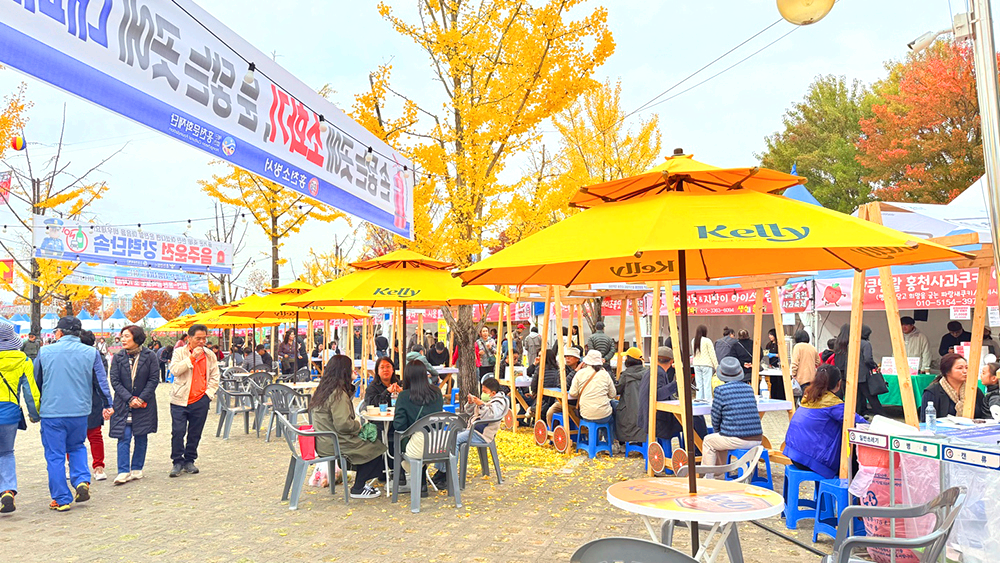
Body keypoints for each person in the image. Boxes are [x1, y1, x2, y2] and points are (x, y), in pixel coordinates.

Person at [34, 316, 112, 511]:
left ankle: (61, 498)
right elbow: (101, 382)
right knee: (77, 446)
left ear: (60, 332)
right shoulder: (91, 353)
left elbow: (37, 383)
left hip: (52, 411)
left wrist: (37, 408)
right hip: (80, 411)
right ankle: (82, 480)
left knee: (55, 455)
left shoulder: (45, 352)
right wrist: (108, 404)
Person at [310, 355, 386, 499]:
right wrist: (359, 426)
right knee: (377, 447)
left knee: (369, 445)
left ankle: (361, 484)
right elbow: (344, 424)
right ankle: (358, 487)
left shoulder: (323, 390)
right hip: (335, 442)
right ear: (344, 372)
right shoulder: (338, 394)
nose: (353, 371)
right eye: (350, 369)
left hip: (323, 440)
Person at [783, 364, 865, 479]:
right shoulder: (833, 404)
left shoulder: (808, 397)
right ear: (838, 384)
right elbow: (861, 423)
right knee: (853, 458)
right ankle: (852, 489)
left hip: (793, 454)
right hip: (811, 460)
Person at [431, 377, 508, 489]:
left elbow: (491, 416)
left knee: (454, 440)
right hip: (472, 430)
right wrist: (471, 403)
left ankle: (449, 475)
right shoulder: (488, 400)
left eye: (485, 391)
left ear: (493, 393)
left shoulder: (498, 403)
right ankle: (442, 471)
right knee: (447, 437)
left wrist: (481, 405)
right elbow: (469, 412)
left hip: (481, 434)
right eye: (482, 390)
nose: (483, 393)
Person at [108, 325, 159, 485]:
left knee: (141, 435)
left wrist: (141, 399)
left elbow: (153, 379)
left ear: (136, 338)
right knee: (123, 436)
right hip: (123, 403)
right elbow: (115, 381)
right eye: (122, 336)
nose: (123, 339)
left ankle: (137, 467)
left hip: (144, 403)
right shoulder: (118, 357)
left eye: (126, 336)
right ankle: (123, 471)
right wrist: (130, 399)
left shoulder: (150, 356)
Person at [167, 324, 220, 478]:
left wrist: (208, 395)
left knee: (195, 433)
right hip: (180, 399)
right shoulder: (179, 352)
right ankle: (177, 461)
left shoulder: (210, 355)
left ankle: (190, 460)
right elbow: (175, 370)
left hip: (200, 399)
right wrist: (191, 358)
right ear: (189, 338)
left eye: (204, 338)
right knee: (178, 431)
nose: (201, 342)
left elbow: (215, 376)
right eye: (198, 339)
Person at [0, 320, 40, 514]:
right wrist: (35, 414)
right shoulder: (23, 361)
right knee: (6, 452)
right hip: (9, 413)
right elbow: (30, 392)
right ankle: (7, 489)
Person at [702, 357, 763, 478]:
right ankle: (719, 473)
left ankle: (708, 477)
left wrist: (719, 431)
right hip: (757, 438)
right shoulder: (749, 389)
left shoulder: (720, 390)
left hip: (738, 439)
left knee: (709, 441)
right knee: (720, 439)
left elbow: (715, 418)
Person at [636, 347, 707, 448]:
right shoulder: (658, 372)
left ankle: (694, 448)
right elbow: (659, 394)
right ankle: (699, 449)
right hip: (658, 420)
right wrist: (676, 384)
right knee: (696, 418)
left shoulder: (651, 371)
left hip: (647, 417)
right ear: (671, 362)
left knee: (694, 418)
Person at [392, 360, 444, 497]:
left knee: (399, 440)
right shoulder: (437, 393)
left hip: (418, 446)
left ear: (407, 376)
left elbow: (399, 426)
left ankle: (402, 475)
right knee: (417, 441)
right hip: (439, 443)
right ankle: (421, 482)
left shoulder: (404, 396)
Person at [832, 324, 884, 417]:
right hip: (863, 374)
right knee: (871, 396)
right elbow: (868, 359)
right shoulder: (866, 344)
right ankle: (880, 414)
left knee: (856, 396)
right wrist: (873, 365)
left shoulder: (851, 343)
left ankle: (855, 415)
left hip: (851, 373)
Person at [79, 330, 109, 482]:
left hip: (92, 399)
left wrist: (106, 403)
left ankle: (98, 466)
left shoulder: (97, 357)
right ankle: (95, 467)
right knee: (78, 436)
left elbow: (101, 380)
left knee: (93, 434)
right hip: (83, 399)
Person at [920, 353, 987, 420]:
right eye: (960, 368)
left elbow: (985, 415)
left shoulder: (973, 390)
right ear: (947, 371)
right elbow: (925, 420)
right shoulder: (932, 392)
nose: (965, 371)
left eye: (966, 368)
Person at [568, 350, 617, 427]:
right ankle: (609, 435)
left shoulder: (580, 373)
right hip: (604, 415)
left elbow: (573, 393)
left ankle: (593, 434)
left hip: (585, 414)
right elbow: (613, 395)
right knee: (613, 413)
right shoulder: (605, 374)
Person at [614, 347, 647, 445]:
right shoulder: (647, 373)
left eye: (626, 357)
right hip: (645, 413)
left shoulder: (626, 375)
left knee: (612, 408)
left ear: (629, 360)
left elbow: (617, 391)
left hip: (628, 415)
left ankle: (617, 442)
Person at [544, 347, 582, 428]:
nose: (567, 358)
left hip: (581, 403)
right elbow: (562, 385)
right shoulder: (562, 370)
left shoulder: (584, 370)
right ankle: (553, 431)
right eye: (566, 356)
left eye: (570, 356)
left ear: (577, 359)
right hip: (564, 402)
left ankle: (583, 431)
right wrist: (575, 372)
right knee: (550, 412)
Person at [691, 325, 718, 401]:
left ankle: (699, 399)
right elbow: (712, 354)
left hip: (696, 364)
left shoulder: (693, 340)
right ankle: (708, 400)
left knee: (699, 384)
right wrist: (716, 366)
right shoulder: (707, 341)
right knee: (707, 384)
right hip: (706, 364)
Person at [789, 329, 820, 395]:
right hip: (812, 377)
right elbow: (818, 361)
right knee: (809, 396)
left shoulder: (797, 346)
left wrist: (793, 374)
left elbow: (795, 362)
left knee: (802, 397)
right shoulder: (812, 347)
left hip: (801, 377)